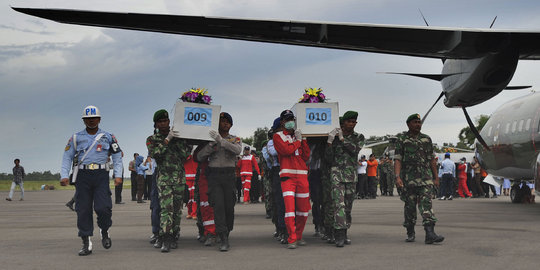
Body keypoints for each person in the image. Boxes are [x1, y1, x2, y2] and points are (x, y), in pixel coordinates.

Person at [60, 105, 123, 256]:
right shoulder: (75, 138)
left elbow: (117, 156)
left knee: (103, 208)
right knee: (82, 210)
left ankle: (105, 230)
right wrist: (64, 175)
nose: (91, 121)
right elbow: (67, 157)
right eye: (87, 119)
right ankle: (86, 242)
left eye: (94, 118)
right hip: (83, 176)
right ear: (83, 120)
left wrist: (118, 174)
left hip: (101, 175)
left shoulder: (108, 136)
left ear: (99, 119)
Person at [394, 113, 444, 245]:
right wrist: (397, 177)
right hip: (408, 179)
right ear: (408, 124)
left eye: (419, 122)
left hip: (425, 178)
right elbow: (398, 159)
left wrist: (436, 177)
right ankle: (410, 231)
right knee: (410, 207)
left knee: (426, 204)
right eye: (415, 122)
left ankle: (430, 233)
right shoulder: (402, 139)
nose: (418, 124)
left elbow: (431, 159)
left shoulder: (426, 139)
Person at [146, 109, 191, 253]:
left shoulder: (178, 138)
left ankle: (174, 235)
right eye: (160, 122)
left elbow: (185, 154)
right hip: (164, 179)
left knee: (177, 210)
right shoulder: (152, 139)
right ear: (156, 124)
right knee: (166, 209)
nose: (164, 124)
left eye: (165, 121)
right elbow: (156, 154)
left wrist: (177, 140)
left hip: (178, 178)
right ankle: (165, 236)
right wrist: (167, 140)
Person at [197, 112, 242, 252]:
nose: (225, 124)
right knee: (218, 207)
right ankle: (223, 238)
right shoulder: (210, 139)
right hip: (214, 176)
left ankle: (227, 231)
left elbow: (238, 150)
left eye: (227, 122)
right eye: (222, 121)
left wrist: (221, 141)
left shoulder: (235, 139)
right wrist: (211, 145)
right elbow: (199, 156)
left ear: (231, 125)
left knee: (229, 207)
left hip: (229, 176)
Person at [273, 110, 311, 249]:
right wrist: (298, 141)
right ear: (282, 121)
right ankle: (292, 238)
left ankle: (299, 235)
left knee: (303, 209)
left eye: (292, 119)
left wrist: (304, 140)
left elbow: (306, 156)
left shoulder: (298, 136)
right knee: (289, 209)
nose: (290, 121)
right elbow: (285, 151)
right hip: (287, 177)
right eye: (287, 119)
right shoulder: (277, 136)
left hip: (302, 175)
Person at [325, 111, 364, 247]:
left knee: (347, 207)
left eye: (354, 122)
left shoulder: (358, 137)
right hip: (336, 175)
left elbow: (355, 150)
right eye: (349, 121)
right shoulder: (335, 137)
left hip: (351, 176)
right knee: (338, 205)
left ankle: (345, 231)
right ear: (343, 123)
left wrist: (342, 139)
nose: (351, 124)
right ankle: (339, 234)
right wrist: (329, 143)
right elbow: (328, 159)